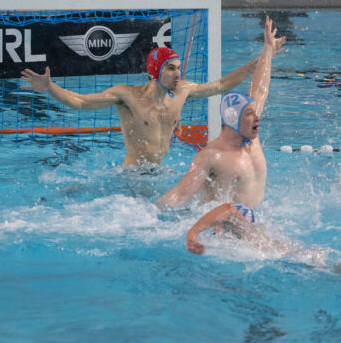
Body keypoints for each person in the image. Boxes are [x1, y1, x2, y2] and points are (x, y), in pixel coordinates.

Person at [20, 45, 261, 167]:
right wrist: (50, 88)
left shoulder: (183, 91)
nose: (178, 73)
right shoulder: (127, 96)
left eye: (178, 68)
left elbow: (221, 85)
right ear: (155, 70)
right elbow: (80, 102)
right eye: (171, 68)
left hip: (159, 171)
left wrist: (254, 65)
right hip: (133, 175)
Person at [156, 16, 285, 209]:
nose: (257, 116)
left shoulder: (251, 138)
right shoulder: (210, 157)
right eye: (249, 113)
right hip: (223, 229)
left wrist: (267, 49)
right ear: (233, 120)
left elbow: (259, 90)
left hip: (252, 219)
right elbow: (179, 195)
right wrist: (148, 215)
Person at [185, 202, 287, 255]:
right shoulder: (261, 237)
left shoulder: (247, 235)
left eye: (216, 221)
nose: (214, 226)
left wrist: (192, 233)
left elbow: (229, 209)